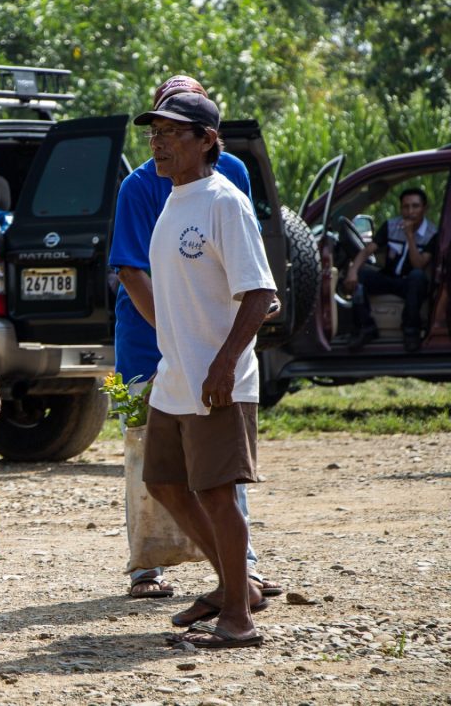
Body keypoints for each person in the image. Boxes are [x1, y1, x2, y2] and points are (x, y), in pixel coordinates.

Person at [109, 75, 281, 602]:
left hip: (211, 369)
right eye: (154, 130)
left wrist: (224, 361)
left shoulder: (224, 195)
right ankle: (212, 580)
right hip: (166, 366)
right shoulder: (158, 194)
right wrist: (174, 347)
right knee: (160, 479)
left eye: (172, 131)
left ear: (207, 137)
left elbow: (257, 289)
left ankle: (238, 600)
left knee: (217, 487)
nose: (159, 141)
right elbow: (135, 274)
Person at [345, 188, 438, 352]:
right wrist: (352, 271)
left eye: (415, 206)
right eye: (406, 207)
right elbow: (367, 251)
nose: (410, 212)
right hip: (389, 278)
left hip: (411, 283)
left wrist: (409, 236)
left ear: (424, 208)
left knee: (417, 276)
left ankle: (411, 332)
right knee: (360, 275)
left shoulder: (432, 233)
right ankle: (365, 328)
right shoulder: (391, 225)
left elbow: (419, 265)